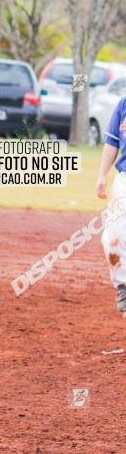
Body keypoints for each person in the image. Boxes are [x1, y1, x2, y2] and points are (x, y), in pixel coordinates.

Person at [95, 96, 126, 316]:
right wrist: (102, 175)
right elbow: (112, 141)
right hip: (124, 179)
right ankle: (123, 286)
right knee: (111, 238)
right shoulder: (124, 104)